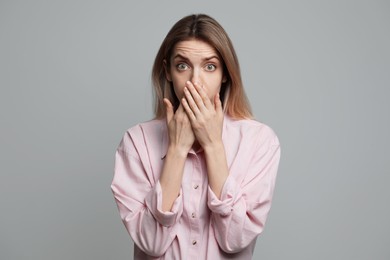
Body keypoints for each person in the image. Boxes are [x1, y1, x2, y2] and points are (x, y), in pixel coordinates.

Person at [111, 14, 281, 260]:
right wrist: (177, 150)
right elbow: (152, 243)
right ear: (168, 71)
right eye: (183, 66)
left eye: (210, 66)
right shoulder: (136, 142)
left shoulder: (259, 141)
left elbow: (235, 240)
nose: (195, 81)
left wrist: (213, 145)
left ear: (225, 74)